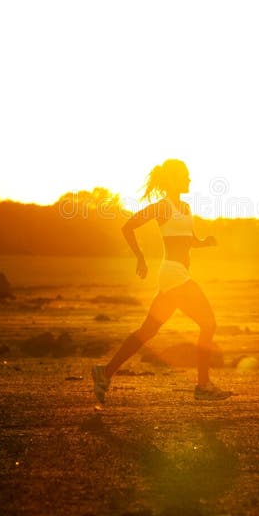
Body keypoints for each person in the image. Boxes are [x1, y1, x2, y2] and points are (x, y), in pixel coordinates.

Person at [91, 158, 233, 403]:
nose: (190, 180)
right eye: (186, 176)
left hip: (177, 274)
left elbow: (187, 240)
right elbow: (128, 226)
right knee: (208, 324)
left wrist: (205, 243)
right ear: (174, 179)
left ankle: (104, 372)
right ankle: (203, 385)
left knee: (148, 331)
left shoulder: (185, 208)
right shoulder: (162, 207)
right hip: (173, 274)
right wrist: (140, 258)